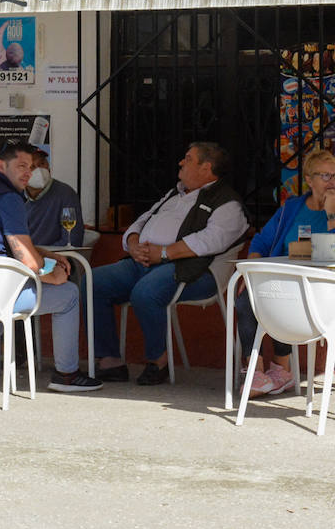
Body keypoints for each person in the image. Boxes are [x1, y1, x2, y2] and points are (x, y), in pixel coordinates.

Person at [0, 139, 103, 396]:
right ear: (0, 166)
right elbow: (27, 261)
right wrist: (54, 275)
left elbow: (4, 243)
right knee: (69, 295)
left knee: (1, 299)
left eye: (31, 167)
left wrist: (45, 253)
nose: (28, 173)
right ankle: (67, 374)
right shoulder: (9, 198)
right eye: (21, 166)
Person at [90, 142, 248, 385]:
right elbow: (142, 220)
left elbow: (210, 241)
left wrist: (163, 253)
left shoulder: (228, 203)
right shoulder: (174, 193)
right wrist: (133, 244)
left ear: (206, 168)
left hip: (193, 271)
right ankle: (110, 360)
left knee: (146, 292)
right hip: (144, 261)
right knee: (93, 283)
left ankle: (158, 360)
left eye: (187, 158)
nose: (180, 162)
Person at [236, 148, 335, 396]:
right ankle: (254, 371)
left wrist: (331, 212)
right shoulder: (292, 208)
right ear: (309, 179)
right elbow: (262, 243)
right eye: (325, 176)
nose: (332, 181)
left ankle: (281, 369)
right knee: (246, 298)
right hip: (286, 280)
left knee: (281, 297)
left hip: (324, 289)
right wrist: (249, 271)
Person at [22, 148, 84, 248]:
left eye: (42, 163)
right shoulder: (17, 197)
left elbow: (72, 241)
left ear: (49, 167)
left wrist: (42, 255)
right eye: (32, 166)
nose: (39, 170)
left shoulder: (65, 194)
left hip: (55, 260)